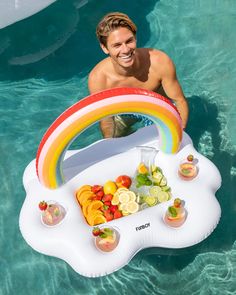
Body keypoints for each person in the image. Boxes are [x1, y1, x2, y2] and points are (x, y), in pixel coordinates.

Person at [88, 12, 189, 138]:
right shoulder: (99, 79)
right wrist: (111, 144)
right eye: (117, 45)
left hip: (158, 107)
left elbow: (179, 100)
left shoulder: (159, 62)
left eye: (129, 41)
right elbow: (106, 119)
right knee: (116, 140)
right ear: (105, 48)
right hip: (127, 113)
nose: (125, 50)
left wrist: (177, 135)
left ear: (135, 39)